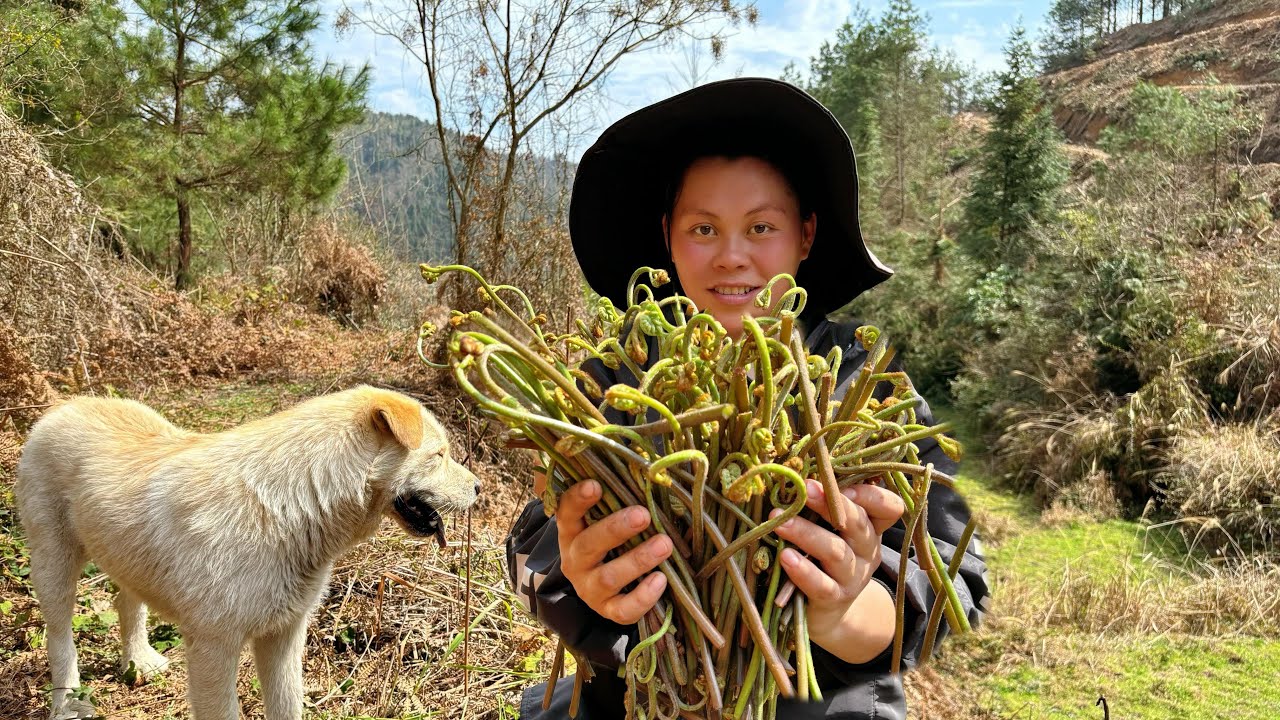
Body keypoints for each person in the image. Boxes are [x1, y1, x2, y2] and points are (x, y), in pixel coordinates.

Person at [505, 78, 990, 720]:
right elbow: (535, 543)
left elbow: (954, 588)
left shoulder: (867, 387)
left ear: (806, 236)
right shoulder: (610, 382)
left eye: (761, 226)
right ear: (668, 237)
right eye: (704, 228)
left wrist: (846, 607)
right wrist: (580, 583)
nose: (733, 257)